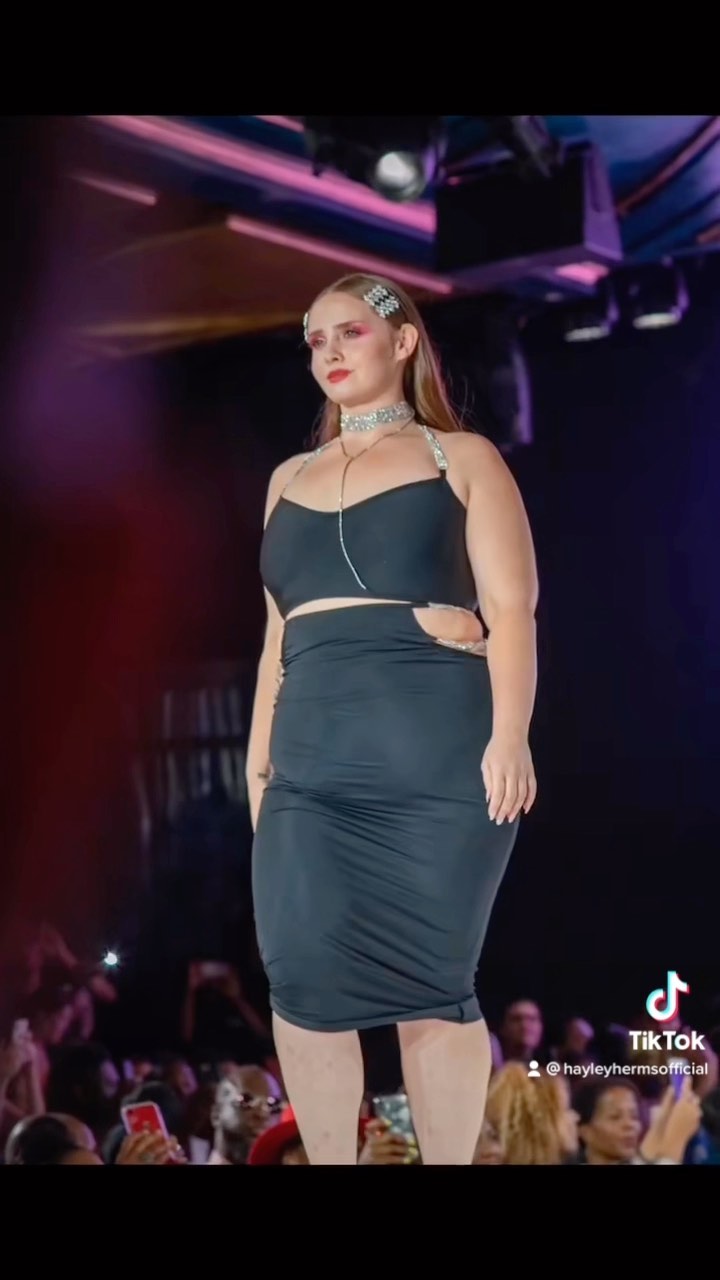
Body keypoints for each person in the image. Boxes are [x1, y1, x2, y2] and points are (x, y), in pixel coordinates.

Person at [247, 272, 538, 1164]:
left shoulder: (463, 457)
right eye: (315, 339)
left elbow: (513, 607)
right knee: (300, 978)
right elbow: (275, 640)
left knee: (434, 981)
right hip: (309, 757)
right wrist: (257, 765)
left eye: (350, 333)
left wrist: (511, 734)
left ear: (402, 341)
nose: (328, 352)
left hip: (436, 754)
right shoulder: (286, 478)